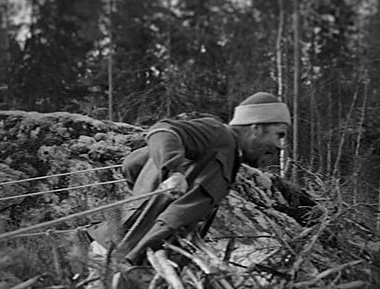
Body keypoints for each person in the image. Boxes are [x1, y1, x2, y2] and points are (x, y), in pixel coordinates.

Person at [115, 92, 291, 264]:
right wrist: (173, 173)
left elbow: (133, 162)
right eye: (279, 135)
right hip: (123, 252)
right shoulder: (218, 134)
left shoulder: (230, 155)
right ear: (256, 128)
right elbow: (163, 131)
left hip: (145, 255)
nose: (279, 146)